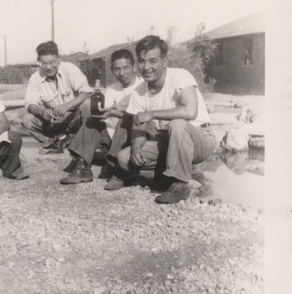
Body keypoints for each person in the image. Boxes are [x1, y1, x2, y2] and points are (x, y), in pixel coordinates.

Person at [114, 35, 216, 204]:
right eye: (141, 61)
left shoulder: (180, 76)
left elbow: (190, 111)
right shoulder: (139, 91)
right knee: (124, 158)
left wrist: (153, 114)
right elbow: (138, 127)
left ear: (165, 62)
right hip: (167, 140)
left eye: (152, 61)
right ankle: (171, 173)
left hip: (199, 138)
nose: (146, 67)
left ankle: (180, 184)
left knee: (178, 124)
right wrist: (137, 147)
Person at [60, 49, 143, 187]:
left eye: (126, 68)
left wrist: (114, 112)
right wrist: (101, 115)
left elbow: (140, 117)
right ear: (111, 70)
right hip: (112, 135)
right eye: (117, 69)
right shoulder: (112, 89)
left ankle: (118, 170)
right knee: (92, 120)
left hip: (133, 137)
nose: (122, 73)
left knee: (125, 120)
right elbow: (106, 114)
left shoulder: (142, 86)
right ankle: (82, 167)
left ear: (134, 67)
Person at [22, 41, 92, 153]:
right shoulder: (35, 78)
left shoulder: (70, 69)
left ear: (59, 59)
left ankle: (82, 144)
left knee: (87, 104)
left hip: (74, 119)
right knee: (27, 119)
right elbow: (30, 104)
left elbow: (87, 92)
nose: (49, 67)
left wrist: (67, 105)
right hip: (53, 122)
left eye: (52, 62)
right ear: (38, 61)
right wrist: (41, 111)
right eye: (44, 63)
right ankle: (52, 143)